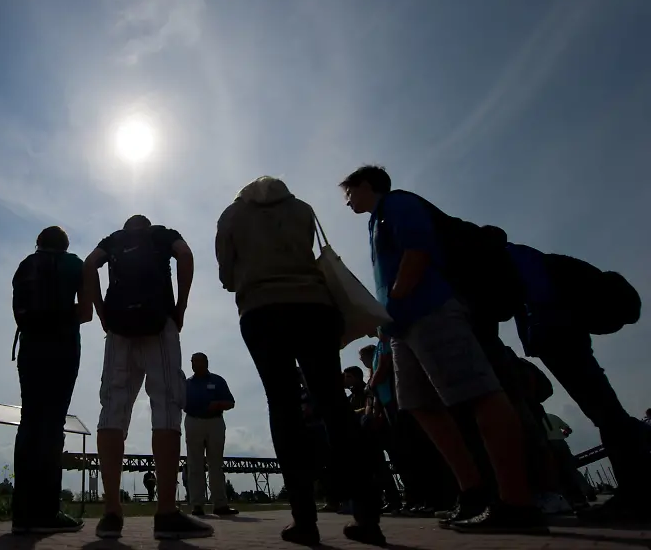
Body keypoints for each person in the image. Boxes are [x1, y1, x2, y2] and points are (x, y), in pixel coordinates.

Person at [340, 164, 546, 534]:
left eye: (350, 192)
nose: (347, 201)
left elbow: (417, 251)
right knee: (419, 404)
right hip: (400, 327)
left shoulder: (398, 203)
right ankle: (472, 493)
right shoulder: (375, 223)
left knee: (479, 392)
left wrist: (396, 300)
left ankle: (517, 502)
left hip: (429, 309)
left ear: (366, 185)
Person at [216, 175, 386, 547]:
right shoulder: (302, 208)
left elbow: (227, 275)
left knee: (283, 406)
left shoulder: (231, 215)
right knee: (334, 405)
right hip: (314, 308)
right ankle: (368, 516)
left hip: (261, 310)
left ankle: (304, 520)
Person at [82, 214, 213, 540]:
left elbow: (89, 265)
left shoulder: (112, 240)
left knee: (113, 410)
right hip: (159, 324)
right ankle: (166, 512)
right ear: (147, 225)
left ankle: (111, 513)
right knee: (166, 406)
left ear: (127, 227)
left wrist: (102, 313)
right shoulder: (162, 234)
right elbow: (185, 254)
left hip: (119, 330)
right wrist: (180, 306)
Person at [507, 241, 651, 522]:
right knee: (606, 411)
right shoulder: (558, 287)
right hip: (554, 330)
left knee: (605, 412)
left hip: (552, 330)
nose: (606, 330)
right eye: (613, 323)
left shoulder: (551, 270)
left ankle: (637, 490)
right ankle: (638, 491)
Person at [10, 226, 91, 534]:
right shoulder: (75, 264)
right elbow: (86, 312)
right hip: (63, 348)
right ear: (66, 245)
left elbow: (19, 313)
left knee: (29, 422)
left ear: (38, 243)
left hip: (30, 348)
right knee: (53, 425)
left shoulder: (25, 265)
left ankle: (22, 513)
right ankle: (46, 512)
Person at [184, 352, 239, 517]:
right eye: (193, 362)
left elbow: (231, 402)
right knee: (194, 464)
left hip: (215, 422)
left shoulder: (217, 380)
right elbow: (180, 402)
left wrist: (217, 404)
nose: (195, 365)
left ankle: (220, 504)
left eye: (198, 361)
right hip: (193, 421)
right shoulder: (187, 383)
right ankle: (197, 505)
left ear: (206, 362)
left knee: (216, 463)